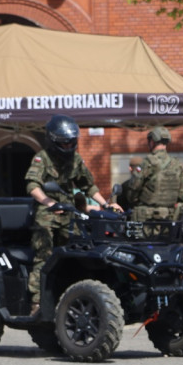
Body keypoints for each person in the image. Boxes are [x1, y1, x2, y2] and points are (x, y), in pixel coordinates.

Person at [25, 115, 110, 312]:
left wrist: (106, 204)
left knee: (80, 254)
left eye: (72, 141)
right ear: (54, 140)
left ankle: (75, 296)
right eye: (65, 142)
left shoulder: (76, 159)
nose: (69, 145)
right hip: (47, 215)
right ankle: (37, 303)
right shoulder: (42, 158)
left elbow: (88, 186)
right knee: (44, 255)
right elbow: (32, 185)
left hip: (70, 215)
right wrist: (49, 202)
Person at [126, 126, 183, 222]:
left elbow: (133, 190)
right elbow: (181, 194)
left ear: (152, 141)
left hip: (147, 219)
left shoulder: (147, 163)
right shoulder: (176, 165)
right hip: (169, 218)